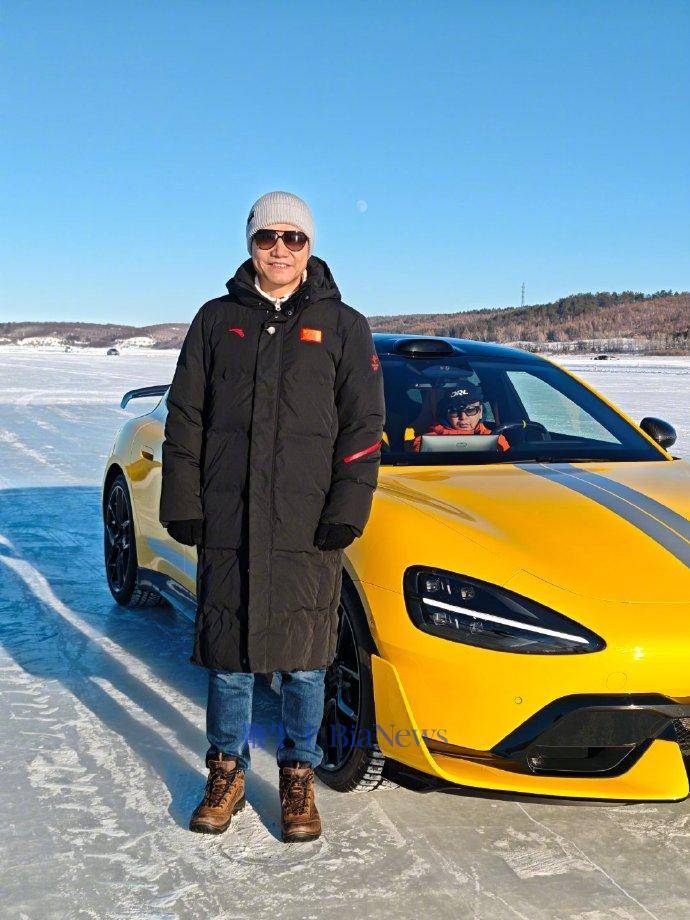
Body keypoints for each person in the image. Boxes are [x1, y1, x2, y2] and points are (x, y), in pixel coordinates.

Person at [159, 191, 385, 842]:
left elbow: (363, 428)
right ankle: (226, 771)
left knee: (306, 661)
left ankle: (297, 776)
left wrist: (347, 508)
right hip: (230, 516)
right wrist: (185, 501)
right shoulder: (216, 320)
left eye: (293, 238)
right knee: (229, 658)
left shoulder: (343, 326)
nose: (280, 249)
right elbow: (186, 418)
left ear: (310, 246)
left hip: (307, 523)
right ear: (250, 244)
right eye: (267, 238)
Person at [409, 382, 509, 452]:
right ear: (446, 415)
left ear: (480, 412)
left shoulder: (497, 440)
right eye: (454, 411)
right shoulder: (424, 443)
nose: (463, 417)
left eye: (470, 410)